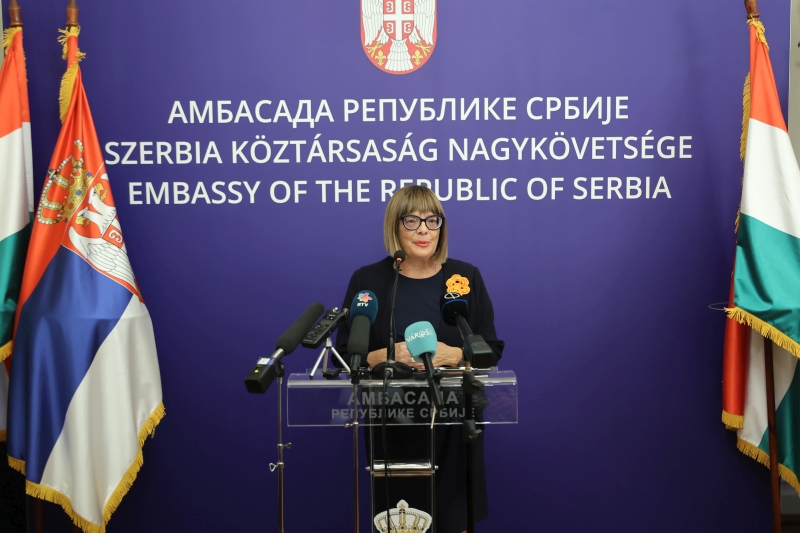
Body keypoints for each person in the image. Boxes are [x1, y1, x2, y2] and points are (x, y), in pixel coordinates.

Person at [336, 185, 504, 533]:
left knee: (454, 519)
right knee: (403, 522)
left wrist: (453, 354)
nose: (424, 230)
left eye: (432, 220)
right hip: (391, 423)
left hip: (456, 422)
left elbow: (490, 349)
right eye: (411, 220)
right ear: (395, 226)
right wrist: (388, 355)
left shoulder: (464, 277)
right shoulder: (368, 280)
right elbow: (345, 355)